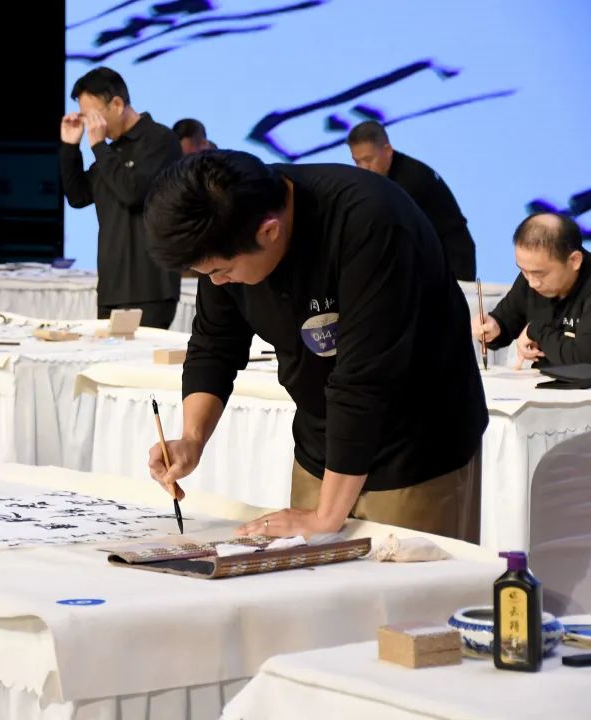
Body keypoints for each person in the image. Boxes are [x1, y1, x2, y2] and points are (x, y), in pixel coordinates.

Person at [142, 151, 487, 541]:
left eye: (221, 271)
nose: (217, 282)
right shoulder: (226, 227)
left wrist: (325, 517)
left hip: (414, 449)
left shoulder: (370, 222)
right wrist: (192, 438)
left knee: (400, 573)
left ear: (269, 231)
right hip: (322, 446)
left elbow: (364, 381)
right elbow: (214, 344)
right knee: (308, 572)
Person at [60, 67, 182, 329]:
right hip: (111, 287)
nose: (90, 124)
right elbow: (78, 196)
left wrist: (98, 147)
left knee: (142, 355)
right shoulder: (111, 151)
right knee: (104, 356)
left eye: (92, 115)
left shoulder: (160, 140)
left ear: (116, 104)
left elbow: (133, 192)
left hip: (150, 288)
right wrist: (70, 147)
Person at [347, 121, 477, 281]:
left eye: (368, 159)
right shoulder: (378, 180)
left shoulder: (412, 180)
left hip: (452, 261)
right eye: (357, 161)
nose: (363, 168)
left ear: (387, 150)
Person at [473, 212, 591, 367]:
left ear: (574, 260)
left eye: (540, 274)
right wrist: (493, 328)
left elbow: (584, 359)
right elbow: (506, 321)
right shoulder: (530, 276)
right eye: (523, 271)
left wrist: (535, 330)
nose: (532, 283)